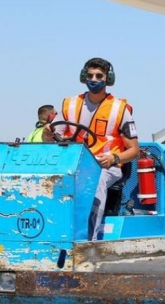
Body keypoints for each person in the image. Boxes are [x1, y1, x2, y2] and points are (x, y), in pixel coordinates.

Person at [42, 57, 140, 241]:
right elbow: (50, 137)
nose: (94, 79)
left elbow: (134, 150)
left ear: (108, 79)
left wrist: (114, 158)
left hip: (106, 166)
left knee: (94, 182)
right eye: (90, 75)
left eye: (99, 75)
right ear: (83, 77)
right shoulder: (69, 104)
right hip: (74, 163)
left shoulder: (120, 109)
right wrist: (47, 133)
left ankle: (88, 241)